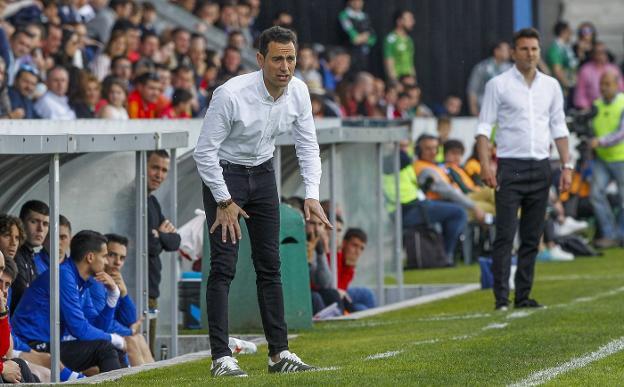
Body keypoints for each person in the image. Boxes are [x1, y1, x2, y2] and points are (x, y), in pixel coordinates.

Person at [194, 26, 329, 377]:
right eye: (277, 58)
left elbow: (307, 145)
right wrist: (223, 200)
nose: (285, 66)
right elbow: (204, 153)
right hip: (225, 176)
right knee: (223, 267)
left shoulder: (299, 91)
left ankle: (278, 354)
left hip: (264, 175)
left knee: (270, 265)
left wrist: (311, 194)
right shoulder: (230, 94)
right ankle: (221, 358)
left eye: (291, 58)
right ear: (260, 60)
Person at [475, 28, 572, 311]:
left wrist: (567, 165)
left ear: (539, 51)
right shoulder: (498, 85)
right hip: (511, 166)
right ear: (514, 52)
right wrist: (485, 163)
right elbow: (484, 127)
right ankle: (501, 298)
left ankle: (524, 296)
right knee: (506, 234)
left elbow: (559, 127)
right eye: (524, 49)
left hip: (541, 166)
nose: (530, 54)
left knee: (532, 236)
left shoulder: (551, 86)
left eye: (534, 49)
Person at [11, 230, 126, 374]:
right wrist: (113, 338)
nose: (107, 262)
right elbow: (79, 329)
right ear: (90, 257)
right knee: (105, 348)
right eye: (104, 256)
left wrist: (112, 296)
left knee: (111, 348)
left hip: (49, 344)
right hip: (30, 346)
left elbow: (97, 326)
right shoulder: (63, 275)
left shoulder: (82, 282)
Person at [88, 233, 154, 366]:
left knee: (138, 338)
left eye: (122, 258)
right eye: (112, 255)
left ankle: (158, 380)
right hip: (90, 339)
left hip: (106, 336)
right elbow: (104, 323)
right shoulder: (95, 281)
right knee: (131, 340)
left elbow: (130, 320)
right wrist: (129, 331)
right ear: (103, 254)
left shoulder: (113, 281)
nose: (118, 262)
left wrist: (123, 293)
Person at [146, 150, 181, 355]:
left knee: (147, 349)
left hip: (151, 291)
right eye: (155, 168)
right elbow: (147, 245)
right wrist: (159, 237)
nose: (159, 174)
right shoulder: (133, 199)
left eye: (164, 170)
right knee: (139, 353)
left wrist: (158, 236)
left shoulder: (152, 201)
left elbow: (175, 241)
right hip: (134, 290)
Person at [589, 71, 624, 248]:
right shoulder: (595, 105)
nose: (604, 87)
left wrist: (599, 141)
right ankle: (610, 234)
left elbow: (621, 133)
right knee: (595, 195)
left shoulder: (623, 103)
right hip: (602, 159)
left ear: (617, 85)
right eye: (602, 83)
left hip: (621, 157)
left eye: (608, 84)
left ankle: (620, 234)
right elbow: (591, 128)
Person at [11, 200, 49, 313]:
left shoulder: (30, 255)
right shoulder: (14, 254)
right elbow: (24, 299)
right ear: (21, 223)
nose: (40, 229)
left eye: (45, 224)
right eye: (34, 221)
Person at [574, 42, 624, 110]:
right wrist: (587, 109)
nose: (601, 55)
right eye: (598, 52)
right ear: (593, 54)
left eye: (603, 52)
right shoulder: (585, 70)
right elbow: (580, 94)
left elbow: (621, 90)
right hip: (591, 109)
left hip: (614, 107)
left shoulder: (614, 69)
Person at [467, 41, 512, 116]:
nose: (508, 52)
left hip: (506, 113)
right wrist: (474, 111)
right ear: (496, 51)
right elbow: (472, 89)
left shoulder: (511, 68)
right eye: (505, 50)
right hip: (485, 111)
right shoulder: (482, 68)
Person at [335, 229, 376, 312]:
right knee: (361, 307)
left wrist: (349, 266)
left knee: (366, 295)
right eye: (354, 245)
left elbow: (343, 287)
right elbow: (337, 289)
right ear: (344, 243)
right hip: (332, 295)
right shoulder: (336, 256)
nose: (357, 251)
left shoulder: (349, 263)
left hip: (341, 292)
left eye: (361, 248)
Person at [338, 0, 376, 72]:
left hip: (364, 56)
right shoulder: (344, 15)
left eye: (360, 1)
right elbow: (354, 37)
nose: (357, 2)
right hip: (350, 53)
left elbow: (373, 38)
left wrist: (366, 39)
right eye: (354, 1)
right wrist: (364, 37)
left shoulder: (365, 16)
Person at [546, 21, 577, 101]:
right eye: (569, 30)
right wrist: (568, 86)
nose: (571, 33)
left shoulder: (565, 46)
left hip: (569, 86)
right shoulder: (556, 49)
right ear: (564, 31)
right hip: (562, 90)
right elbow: (557, 70)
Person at [383, 9, 415, 82]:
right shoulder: (391, 39)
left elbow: (411, 63)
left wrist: (414, 80)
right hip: (398, 80)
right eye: (409, 19)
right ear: (399, 21)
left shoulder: (409, 40)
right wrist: (395, 82)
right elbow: (389, 64)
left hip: (409, 79)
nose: (412, 22)